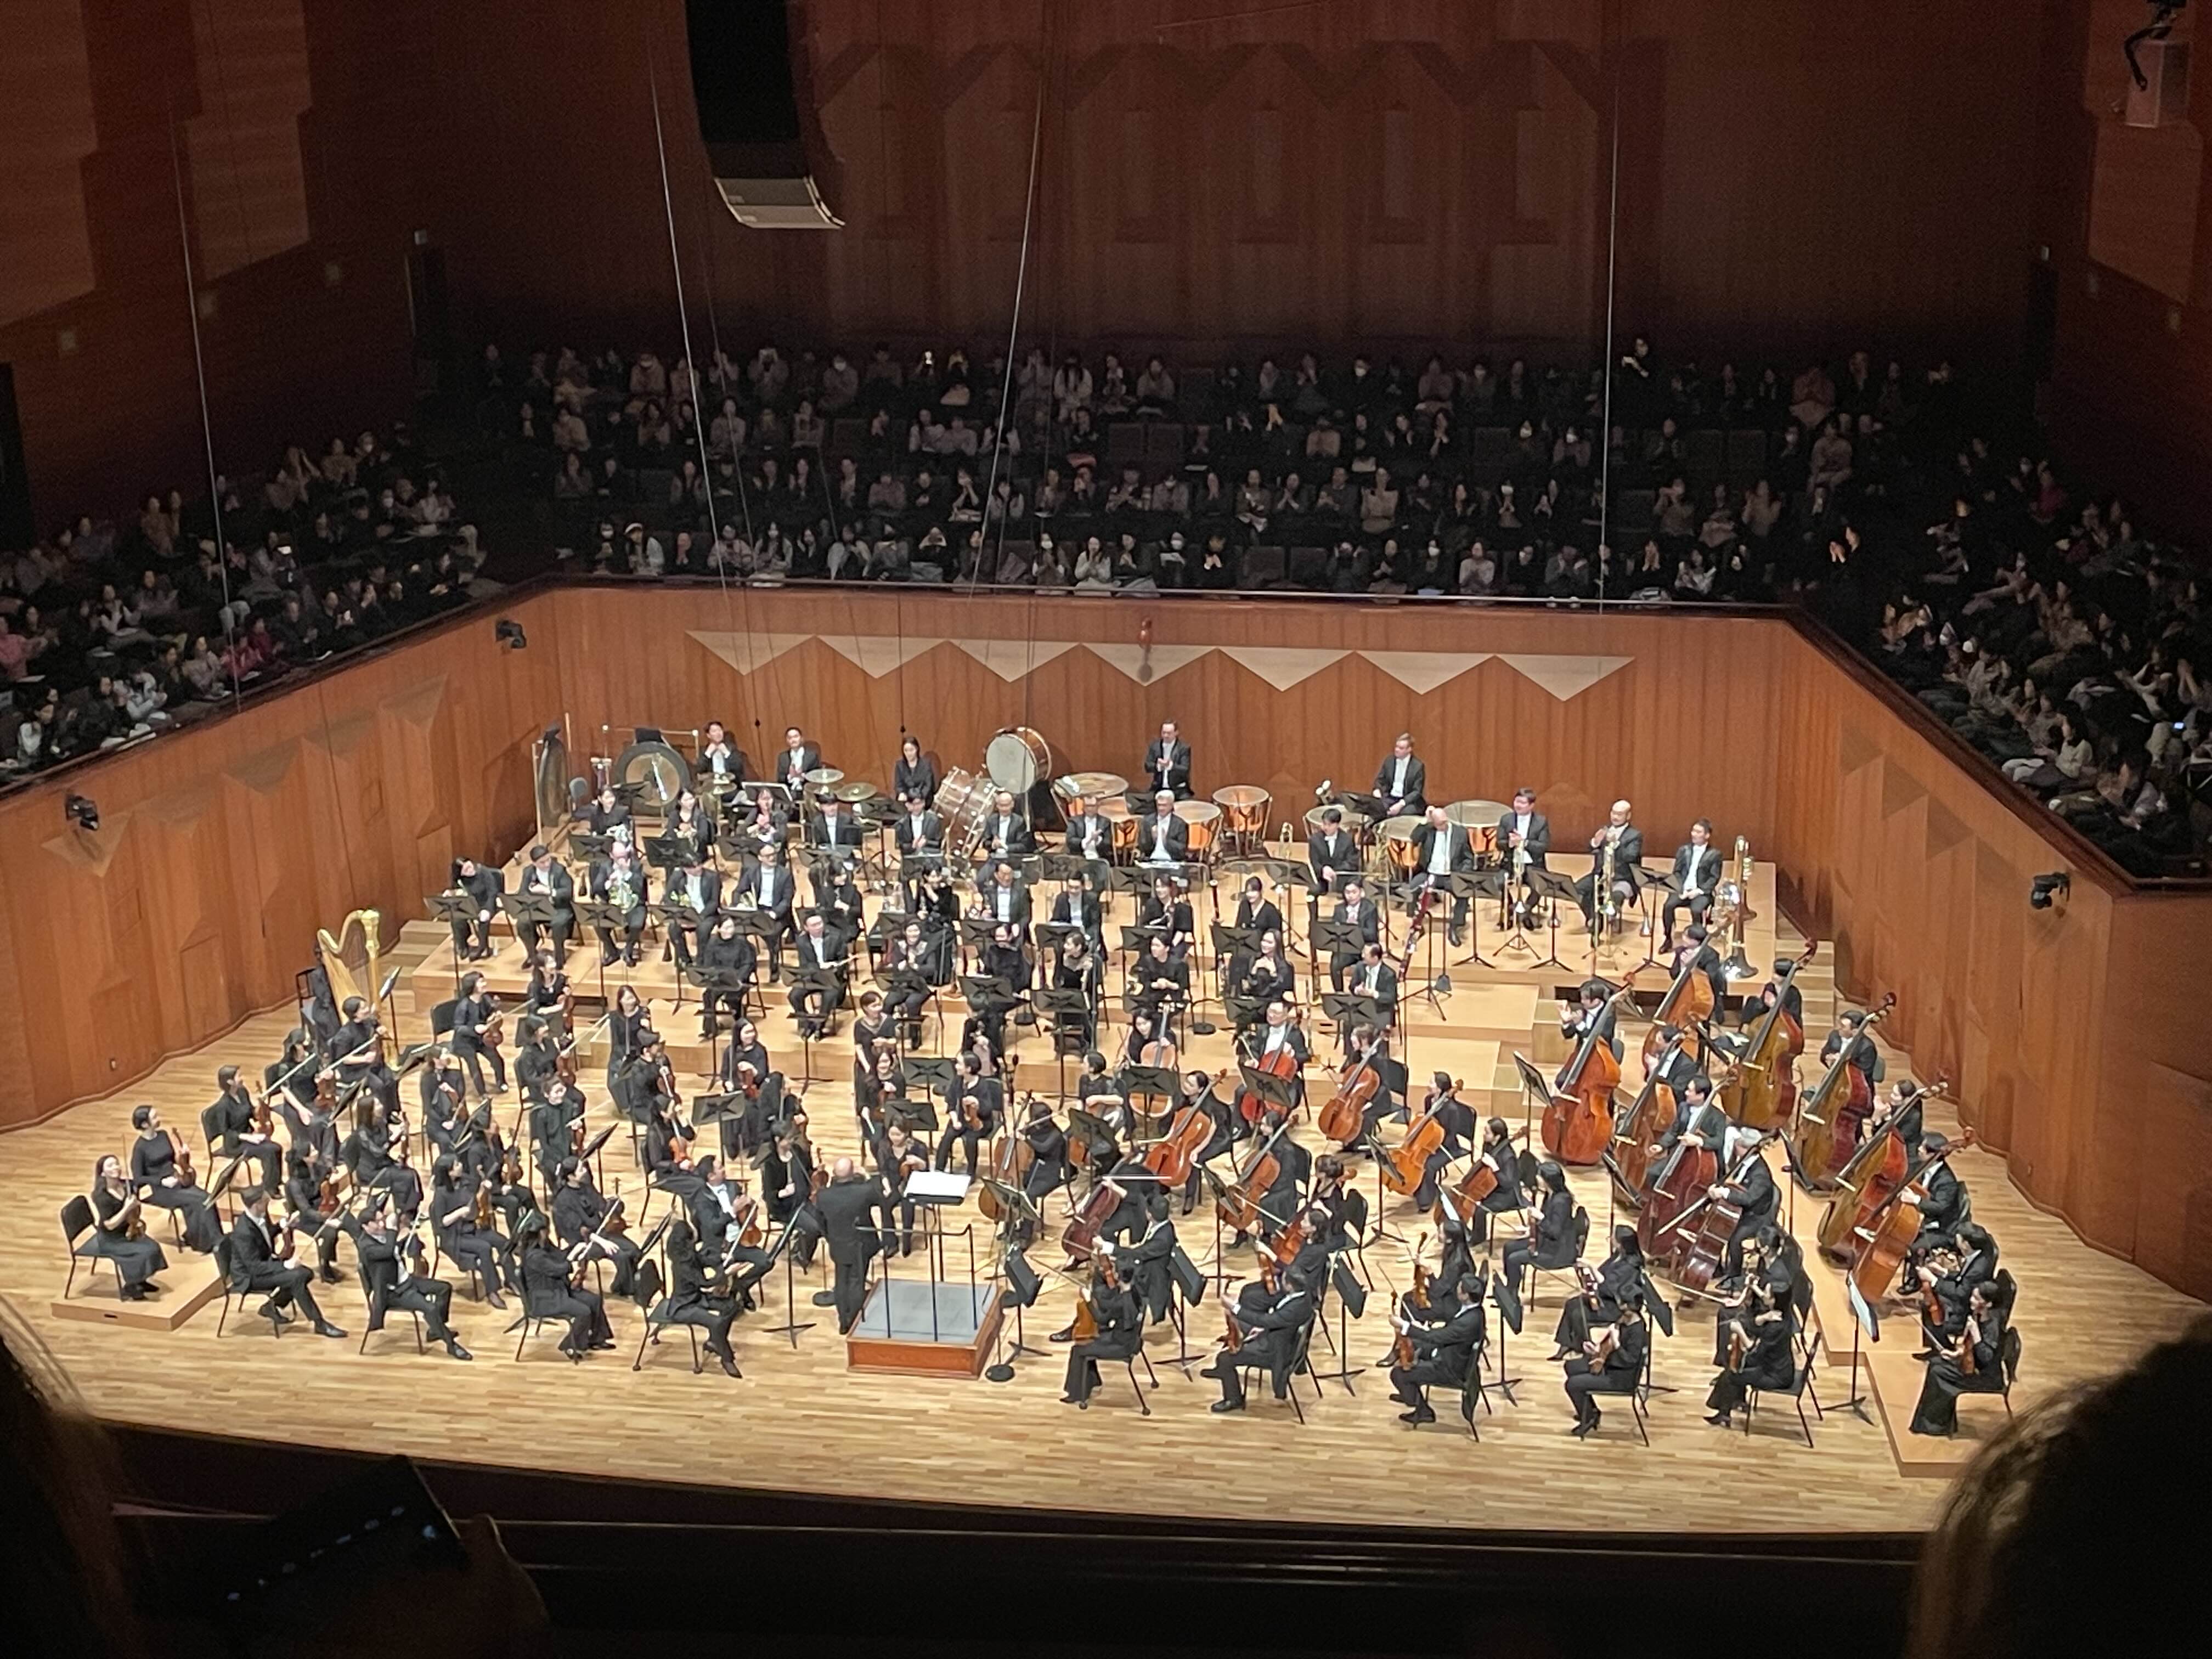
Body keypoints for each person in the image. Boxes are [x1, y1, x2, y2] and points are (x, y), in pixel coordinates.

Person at [341, 1203, 471, 1359]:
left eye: (382, 1220)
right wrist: (392, 1230)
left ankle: (436, 1330)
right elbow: (387, 1252)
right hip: (394, 1292)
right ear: (365, 1226)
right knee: (430, 1309)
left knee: (444, 1288)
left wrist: (407, 1237)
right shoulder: (366, 1246)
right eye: (377, 1222)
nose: (382, 1224)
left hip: (407, 1281)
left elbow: (394, 1251)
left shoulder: (381, 1235)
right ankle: (451, 1346)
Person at [227, 1186, 345, 1336]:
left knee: (306, 1273)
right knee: (296, 1278)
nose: (268, 1204)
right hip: (249, 1277)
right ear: (256, 1205)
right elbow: (254, 1267)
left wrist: (282, 1225)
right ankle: (319, 1323)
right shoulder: (243, 1232)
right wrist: (285, 1265)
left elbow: (264, 1237)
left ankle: (272, 1305)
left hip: (263, 1265)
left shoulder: (260, 1216)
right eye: (265, 1202)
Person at [1203, 1262, 1314, 1411]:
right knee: (1241, 1323)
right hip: (1280, 1337)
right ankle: (1226, 1371)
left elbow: (1270, 1320)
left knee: (1224, 1358)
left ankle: (1233, 1399)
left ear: (1289, 1286)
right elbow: (1276, 1320)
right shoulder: (1304, 1296)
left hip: (1274, 1352)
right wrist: (1263, 1327)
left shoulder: (1295, 1308)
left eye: (1283, 1280)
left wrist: (1235, 1308)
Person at [1909, 1279, 2009, 1436]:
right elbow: (1969, 1348)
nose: (1971, 1300)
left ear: (1988, 1304)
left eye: (1976, 1298)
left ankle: (1937, 1425)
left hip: (1985, 1376)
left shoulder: (1993, 1326)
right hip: (1972, 1364)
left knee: (1939, 1372)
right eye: (1973, 1296)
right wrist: (1956, 1354)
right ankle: (1933, 1421)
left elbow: (1986, 1359)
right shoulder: (1979, 1314)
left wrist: (1976, 1334)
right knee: (1935, 1363)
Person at [1387, 1269, 1486, 1425]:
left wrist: (1405, 1326)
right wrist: (1422, 1329)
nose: (1457, 1288)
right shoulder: (1474, 1310)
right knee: (1414, 1344)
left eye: (1460, 1287)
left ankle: (1423, 1411)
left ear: (1466, 1296)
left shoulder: (1467, 1323)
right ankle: (1410, 1391)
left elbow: (1436, 1337)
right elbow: (1444, 1334)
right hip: (1452, 1353)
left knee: (1398, 1374)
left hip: (1450, 1369)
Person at [516, 1214, 613, 1359]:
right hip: (546, 1299)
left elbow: (560, 1256)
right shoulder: (534, 1256)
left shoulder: (545, 1247)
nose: (548, 1232)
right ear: (539, 1232)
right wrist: (571, 1260)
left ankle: (596, 1338)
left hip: (558, 1290)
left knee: (594, 1300)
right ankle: (570, 1345)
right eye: (546, 1230)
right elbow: (558, 1269)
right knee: (583, 1311)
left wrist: (576, 1247)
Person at [126, 1105, 219, 1253]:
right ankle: (210, 1242)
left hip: (177, 1179)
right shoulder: (140, 1148)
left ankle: (205, 1238)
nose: (158, 1119)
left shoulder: (162, 1135)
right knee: (199, 1201)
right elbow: (138, 1179)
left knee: (207, 1198)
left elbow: (171, 1159)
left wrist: (183, 1155)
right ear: (144, 1124)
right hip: (161, 1190)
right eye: (154, 1118)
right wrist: (161, 1182)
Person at [1704, 1277, 1797, 1426]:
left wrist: (1740, 1332)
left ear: (1775, 1301)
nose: (1764, 1296)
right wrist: (1763, 1318)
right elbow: (1757, 1330)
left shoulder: (1776, 1328)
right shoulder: (1783, 1313)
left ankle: (1724, 1413)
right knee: (1736, 1366)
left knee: (1731, 1375)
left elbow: (1754, 1353)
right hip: (1778, 1366)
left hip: (1775, 1375)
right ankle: (1736, 1403)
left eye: (1767, 1295)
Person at [661, 1210, 743, 1378]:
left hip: (695, 1298)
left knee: (732, 1306)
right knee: (717, 1323)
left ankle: (715, 1341)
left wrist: (722, 1258)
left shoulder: (687, 1255)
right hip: (684, 1307)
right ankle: (727, 1359)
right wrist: (727, 1273)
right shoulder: (682, 1265)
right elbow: (705, 1283)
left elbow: (703, 1260)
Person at [1060, 1252, 1144, 1408]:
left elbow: (1101, 1319)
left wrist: (1088, 1301)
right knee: (1089, 1342)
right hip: (1132, 1339)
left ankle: (1077, 1394)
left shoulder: (1122, 1302)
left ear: (1118, 1276)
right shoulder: (1135, 1293)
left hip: (1121, 1346)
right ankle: (1091, 1381)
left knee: (1078, 1350)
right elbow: (1110, 1306)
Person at [1562, 1291, 1647, 1437]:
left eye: (1622, 1305)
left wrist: (1616, 1343)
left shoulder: (1637, 1332)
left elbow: (1629, 1360)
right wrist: (1597, 1350)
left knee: (1572, 1384)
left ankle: (1589, 1419)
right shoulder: (1625, 1322)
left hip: (1621, 1379)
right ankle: (1590, 1411)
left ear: (1630, 1308)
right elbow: (1609, 1348)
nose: (1619, 1307)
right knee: (1571, 1366)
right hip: (1612, 1367)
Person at [84, 1156, 170, 1300]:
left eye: (116, 1164)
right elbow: (110, 1225)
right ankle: (131, 1286)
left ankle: (141, 1280)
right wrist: (127, 1208)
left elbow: (141, 1184)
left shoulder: (127, 1185)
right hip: (111, 1238)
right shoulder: (101, 1196)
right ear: (103, 1173)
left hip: (129, 1230)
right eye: (110, 1166)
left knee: (154, 1248)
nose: (116, 1168)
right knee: (142, 1252)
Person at [813, 1156, 882, 1333]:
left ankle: (843, 1321)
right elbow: (880, 1198)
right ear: (852, 1173)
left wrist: (830, 1237)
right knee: (856, 1282)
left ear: (834, 1174)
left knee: (841, 1281)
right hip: (860, 1244)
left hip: (837, 1243)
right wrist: (866, 1177)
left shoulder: (823, 1195)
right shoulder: (864, 1191)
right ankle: (854, 1321)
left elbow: (820, 1222)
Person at [1501, 1161, 1577, 1297]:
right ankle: (1511, 1286)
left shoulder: (1562, 1202)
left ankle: (1512, 1296)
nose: (1537, 1178)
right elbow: (1548, 1223)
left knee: (1513, 1259)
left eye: (1540, 1176)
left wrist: (1540, 1218)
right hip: (1545, 1241)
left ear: (1548, 1180)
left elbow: (1555, 1232)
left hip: (1557, 1252)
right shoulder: (1550, 1195)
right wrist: (1530, 1230)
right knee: (1509, 1247)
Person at [1410, 803, 1476, 945]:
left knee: (1464, 893)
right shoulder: (1428, 830)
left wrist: (1462, 874)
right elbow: (1414, 838)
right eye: (1439, 824)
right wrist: (1425, 821)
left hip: (1451, 875)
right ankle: (1417, 924)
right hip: (1430, 874)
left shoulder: (1460, 833)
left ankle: (1455, 927)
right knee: (1412, 889)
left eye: (1444, 822)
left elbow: (1468, 858)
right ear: (1433, 823)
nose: (1443, 826)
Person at [1578, 799, 1645, 928]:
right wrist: (1595, 842)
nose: (1615, 817)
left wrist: (1615, 844)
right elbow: (1591, 848)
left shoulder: (1635, 835)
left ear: (1628, 816)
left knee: (1615, 898)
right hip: (1600, 875)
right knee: (1577, 891)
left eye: (1620, 814)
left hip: (1623, 878)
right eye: (1613, 813)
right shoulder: (1605, 830)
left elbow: (1630, 856)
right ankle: (1593, 918)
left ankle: (1602, 922)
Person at [1661, 819, 1722, 946]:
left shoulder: (1715, 854)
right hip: (1683, 890)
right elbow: (1677, 872)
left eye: (1699, 832)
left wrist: (1698, 891)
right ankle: (1668, 938)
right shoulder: (1684, 850)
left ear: (1707, 835)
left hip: (1701, 892)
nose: (1694, 834)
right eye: (1693, 831)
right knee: (1668, 906)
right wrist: (1681, 889)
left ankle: (1698, 942)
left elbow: (1714, 878)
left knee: (1697, 910)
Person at [450, 971, 507, 1101]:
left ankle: (501, 1082)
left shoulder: (485, 999)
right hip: (464, 1042)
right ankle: (482, 1093)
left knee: (497, 1059)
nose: (485, 984)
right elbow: (458, 1028)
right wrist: (474, 1029)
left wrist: (496, 1015)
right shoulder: (464, 1006)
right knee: (474, 1065)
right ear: (473, 986)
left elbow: (490, 1012)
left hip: (482, 1039)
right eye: (481, 982)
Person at [517, 843, 576, 963]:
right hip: (539, 908)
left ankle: (559, 958)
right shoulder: (528, 872)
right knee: (522, 923)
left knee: (558, 924)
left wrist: (550, 892)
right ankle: (533, 955)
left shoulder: (559, 870)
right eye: (542, 862)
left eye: (548, 860)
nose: (547, 864)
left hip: (559, 908)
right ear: (534, 863)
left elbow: (567, 892)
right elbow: (522, 892)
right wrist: (530, 896)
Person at [447, 856, 504, 960]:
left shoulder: (483, 872)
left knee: (483, 919)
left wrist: (487, 909)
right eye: (466, 870)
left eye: (470, 866)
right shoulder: (459, 880)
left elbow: (492, 892)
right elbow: (457, 892)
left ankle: (483, 947)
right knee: (456, 918)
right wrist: (451, 894)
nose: (470, 870)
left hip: (486, 904)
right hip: (469, 905)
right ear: (461, 874)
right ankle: (463, 946)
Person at [1373, 732, 1427, 816]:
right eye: (1396, 747)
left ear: (1409, 750)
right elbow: (1380, 780)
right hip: (1390, 797)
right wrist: (1377, 789)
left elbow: (1417, 792)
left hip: (1407, 801)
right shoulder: (1389, 761)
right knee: (1376, 809)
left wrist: (1401, 804)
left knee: (1404, 814)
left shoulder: (1418, 766)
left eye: (1401, 748)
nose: (1397, 750)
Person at [1138, 789, 1190, 865]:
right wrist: (1152, 838)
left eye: (1164, 805)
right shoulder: (1147, 821)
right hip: (1151, 861)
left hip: (1173, 862)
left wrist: (1166, 841)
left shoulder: (1180, 823)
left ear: (1171, 805)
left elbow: (1182, 851)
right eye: (1159, 805)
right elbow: (1143, 848)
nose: (1161, 808)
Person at [1143, 719, 1192, 798]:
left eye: (1169, 733)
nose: (1166, 736)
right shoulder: (1155, 746)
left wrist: (1171, 766)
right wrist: (1159, 766)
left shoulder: (1183, 748)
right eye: (1164, 733)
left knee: (1188, 804)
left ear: (1176, 733)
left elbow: (1185, 769)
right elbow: (1147, 766)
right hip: (1158, 788)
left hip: (1179, 790)